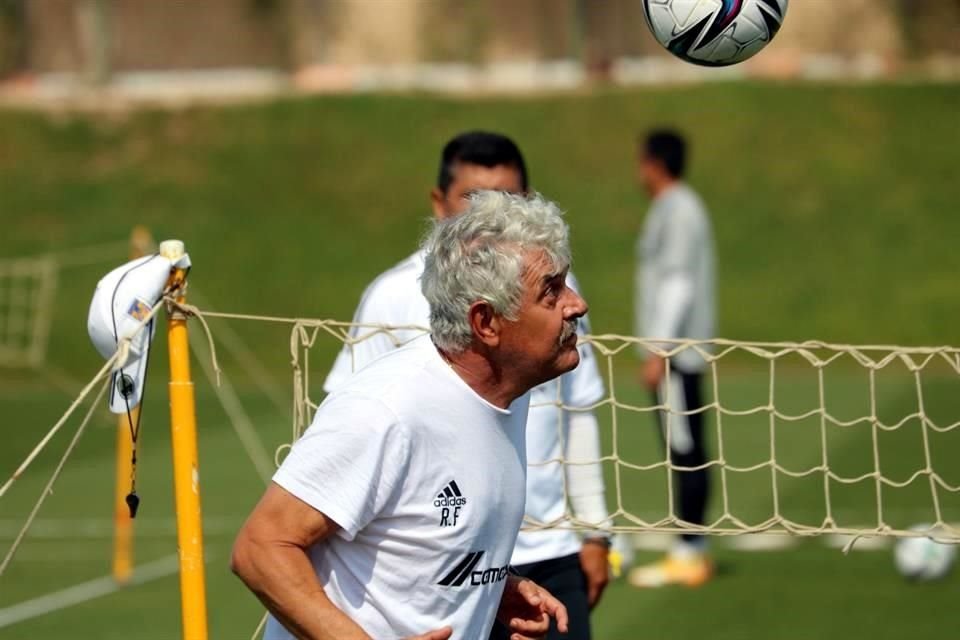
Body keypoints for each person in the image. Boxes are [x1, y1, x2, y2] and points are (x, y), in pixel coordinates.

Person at [232, 191, 583, 639]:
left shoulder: (508, 396)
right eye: (551, 291)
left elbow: (418, 536)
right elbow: (261, 547)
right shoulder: (386, 410)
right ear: (486, 323)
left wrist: (493, 587)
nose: (576, 304)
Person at [324, 131, 612, 640]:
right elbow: (338, 451)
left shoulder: (553, 296)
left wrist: (594, 529)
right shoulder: (393, 300)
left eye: (512, 202)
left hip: (539, 554)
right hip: (437, 569)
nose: (497, 219)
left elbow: (578, 406)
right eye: (477, 203)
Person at [629, 129, 717, 588]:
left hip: (678, 355)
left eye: (641, 161)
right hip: (675, 353)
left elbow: (678, 282)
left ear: (655, 163)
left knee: (685, 450)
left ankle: (690, 551)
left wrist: (659, 349)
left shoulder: (679, 210)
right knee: (681, 448)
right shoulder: (673, 208)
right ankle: (691, 547)